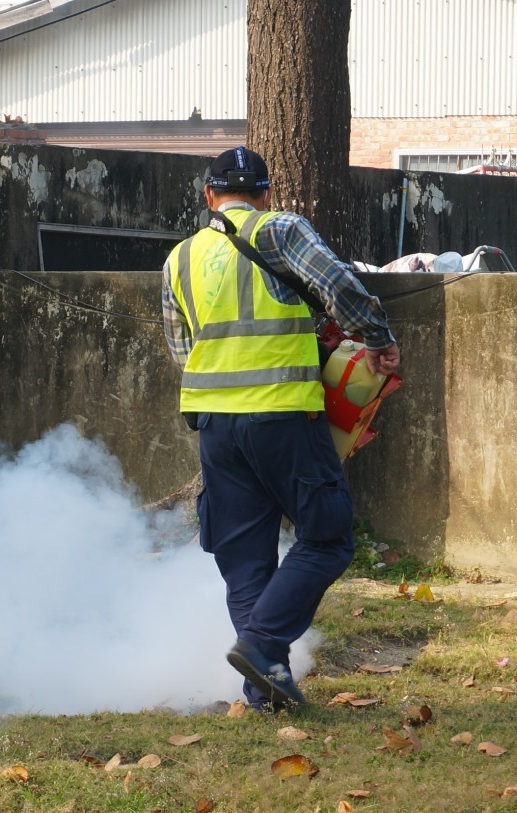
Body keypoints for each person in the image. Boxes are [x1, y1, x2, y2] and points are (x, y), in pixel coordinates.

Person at [161, 146, 401, 710]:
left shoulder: (179, 259)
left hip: (217, 428)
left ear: (209, 197)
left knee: (245, 558)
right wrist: (378, 338)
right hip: (284, 415)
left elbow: (182, 352)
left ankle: (265, 687)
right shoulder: (282, 230)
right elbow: (341, 288)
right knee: (328, 535)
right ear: (267, 194)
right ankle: (265, 642)